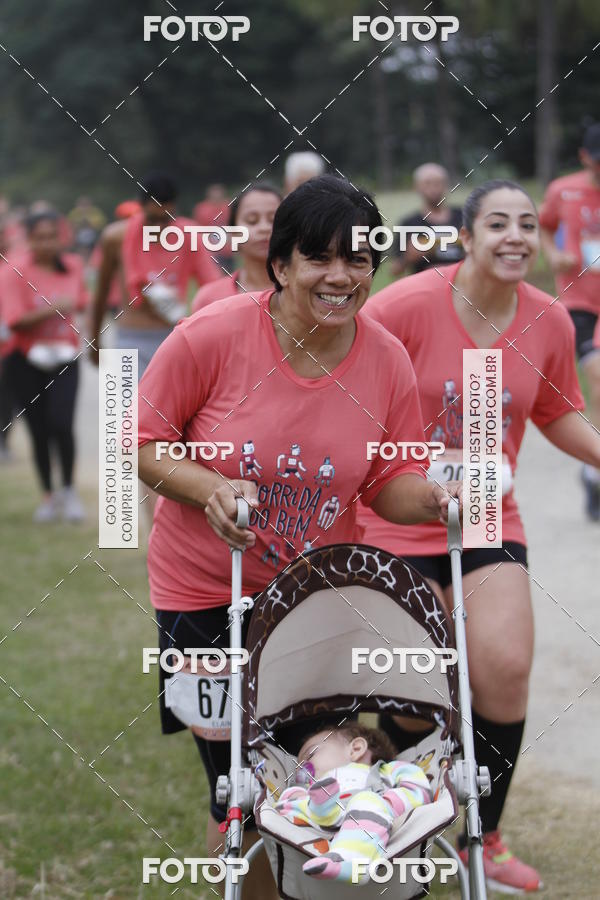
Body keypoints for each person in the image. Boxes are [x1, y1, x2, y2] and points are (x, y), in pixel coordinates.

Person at [136, 175, 462, 900]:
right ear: (279, 265)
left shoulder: (384, 359)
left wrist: (436, 498)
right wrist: (211, 490)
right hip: (202, 591)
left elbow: (387, 481)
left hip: (312, 599)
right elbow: (143, 443)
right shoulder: (210, 336)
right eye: (319, 258)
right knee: (242, 792)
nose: (340, 277)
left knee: (322, 775)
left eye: (358, 260)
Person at [361, 179, 600, 894]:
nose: (516, 236)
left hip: (490, 517)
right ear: (466, 237)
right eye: (497, 223)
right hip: (396, 512)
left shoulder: (549, 320)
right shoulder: (404, 305)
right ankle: (396, 822)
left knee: (501, 667)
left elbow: (557, 411)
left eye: (528, 224)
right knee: (409, 689)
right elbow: (349, 383)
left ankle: (483, 836)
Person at [1, 210, 88, 521]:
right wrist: (53, 308)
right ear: (29, 239)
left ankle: (69, 489)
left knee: (62, 424)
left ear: (61, 237)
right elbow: (14, 321)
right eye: (39, 237)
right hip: (24, 361)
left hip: (64, 357)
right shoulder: (14, 271)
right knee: (39, 431)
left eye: (52, 236)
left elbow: (81, 301)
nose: (47, 243)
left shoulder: (74, 266)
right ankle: (48, 496)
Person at [89, 172, 218, 377]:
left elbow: (214, 289)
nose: (159, 228)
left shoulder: (190, 236)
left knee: (174, 410)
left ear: (175, 209)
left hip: (173, 340)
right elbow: (101, 294)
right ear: (140, 208)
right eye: (152, 219)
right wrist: (94, 342)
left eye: (165, 220)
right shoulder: (116, 237)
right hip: (130, 339)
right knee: (118, 409)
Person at [275, 723, 432, 884]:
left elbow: (418, 790)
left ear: (355, 749)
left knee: (366, 801)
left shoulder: (386, 772)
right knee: (289, 801)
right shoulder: (310, 788)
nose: (302, 767)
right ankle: (325, 810)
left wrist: (387, 804)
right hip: (317, 824)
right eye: (299, 765)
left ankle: (353, 862)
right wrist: (297, 794)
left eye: (311, 754)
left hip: (367, 822)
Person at [539, 123, 600, 520]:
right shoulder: (563, 190)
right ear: (585, 157)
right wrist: (553, 255)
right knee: (598, 377)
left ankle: (591, 470)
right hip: (579, 302)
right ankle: (594, 467)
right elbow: (544, 227)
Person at [191, 183, 281, 312]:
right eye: (252, 220)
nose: (264, 228)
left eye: (273, 220)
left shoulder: (303, 294)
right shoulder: (209, 299)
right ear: (233, 232)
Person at [389, 163, 464, 277]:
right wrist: (408, 257)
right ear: (416, 187)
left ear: (446, 185)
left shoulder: (464, 217)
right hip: (425, 287)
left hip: (463, 284)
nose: (433, 188)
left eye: (438, 183)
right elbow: (394, 271)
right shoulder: (409, 224)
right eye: (427, 183)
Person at [193, 184, 232, 270]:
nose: (216, 197)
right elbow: (198, 229)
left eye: (218, 195)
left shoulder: (229, 207)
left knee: (229, 276)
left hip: (227, 249)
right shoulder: (202, 209)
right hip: (211, 249)